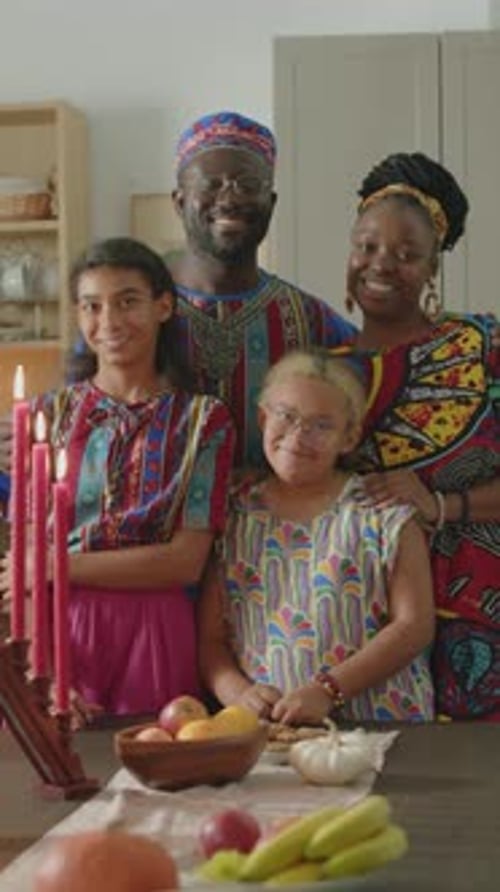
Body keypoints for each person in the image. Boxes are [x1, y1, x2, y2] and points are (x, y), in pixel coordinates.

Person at [0, 238, 235, 718]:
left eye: (127, 301)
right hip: (55, 628)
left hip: (155, 628)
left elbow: (185, 562)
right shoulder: (47, 419)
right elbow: (21, 565)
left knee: (153, 768)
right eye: (92, 305)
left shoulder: (203, 422)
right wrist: (38, 668)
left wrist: (55, 566)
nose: (108, 321)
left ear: (163, 306)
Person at [341, 152, 500, 721]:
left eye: (407, 255)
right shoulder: (319, 371)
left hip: (482, 619)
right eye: (368, 247)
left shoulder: (485, 347)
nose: (382, 265)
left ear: (434, 267)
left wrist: (441, 503)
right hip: (363, 630)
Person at [199, 350, 435, 725]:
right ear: (262, 418)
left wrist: (328, 690)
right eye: (286, 416)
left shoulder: (384, 515)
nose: (298, 436)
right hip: (269, 737)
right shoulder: (233, 516)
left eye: (321, 425)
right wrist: (239, 695)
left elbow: (414, 626)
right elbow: (210, 640)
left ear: (349, 437)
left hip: (378, 726)